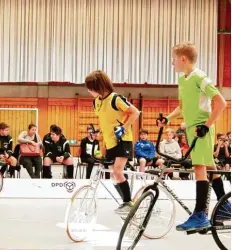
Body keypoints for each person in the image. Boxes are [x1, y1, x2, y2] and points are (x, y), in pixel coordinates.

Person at [158, 42, 228, 231]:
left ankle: (200, 215)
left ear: (183, 59)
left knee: (199, 169)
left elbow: (220, 103)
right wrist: (168, 118)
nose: (172, 63)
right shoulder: (183, 80)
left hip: (201, 129)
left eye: (174, 59)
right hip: (191, 129)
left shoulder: (201, 77)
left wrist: (206, 126)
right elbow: (182, 107)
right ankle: (225, 207)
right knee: (211, 167)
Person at [85, 70, 141, 215]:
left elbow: (135, 112)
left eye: (90, 87)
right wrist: (98, 131)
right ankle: (128, 202)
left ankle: (127, 202)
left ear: (99, 86)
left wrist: (124, 127)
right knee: (113, 175)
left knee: (117, 171)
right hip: (109, 142)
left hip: (123, 140)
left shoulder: (116, 99)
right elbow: (106, 120)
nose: (88, 90)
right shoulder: (96, 102)